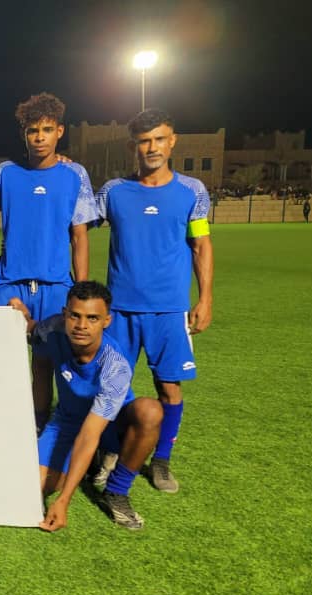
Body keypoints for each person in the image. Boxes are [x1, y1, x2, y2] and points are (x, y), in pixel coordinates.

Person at [94, 109, 214, 493]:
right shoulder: (113, 191)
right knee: (112, 387)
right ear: (133, 146)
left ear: (172, 141)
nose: (152, 147)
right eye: (144, 141)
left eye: (159, 139)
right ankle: (111, 451)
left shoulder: (192, 191)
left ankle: (161, 460)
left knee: (170, 389)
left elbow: (201, 245)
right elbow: (78, 223)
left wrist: (205, 298)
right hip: (119, 311)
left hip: (169, 310)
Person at [0, 93, 98, 430]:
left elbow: (79, 236)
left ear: (59, 131)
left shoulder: (74, 174)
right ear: (24, 134)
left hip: (56, 284)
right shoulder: (5, 173)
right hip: (10, 283)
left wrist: (80, 290)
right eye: (33, 130)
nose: (39, 137)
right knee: (2, 359)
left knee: (47, 362)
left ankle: (40, 426)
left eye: (47, 130)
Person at [12, 281, 163, 530]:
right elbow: (33, 330)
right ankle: (91, 461)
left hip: (111, 426)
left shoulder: (115, 366)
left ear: (106, 321)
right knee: (31, 487)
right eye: (75, 316)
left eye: (92, 318)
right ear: (65, 314)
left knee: (150, 411)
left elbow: (90, 433)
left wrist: (63, 501)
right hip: (68, 422)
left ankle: (117, 491)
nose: (81, 325)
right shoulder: (52, 329)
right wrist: (22, 315)